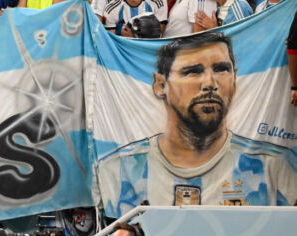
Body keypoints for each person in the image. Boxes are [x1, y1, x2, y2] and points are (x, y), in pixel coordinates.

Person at [98, 31, 297, 213]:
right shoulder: (118, 170)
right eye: (192, 71)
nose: (210, 84)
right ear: (160, 85)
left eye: (221, 69)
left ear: (234, 80)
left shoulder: (275, 166)